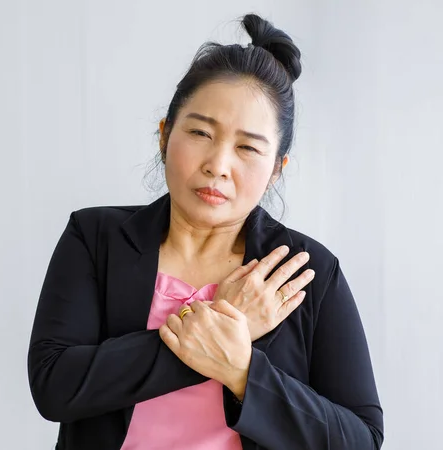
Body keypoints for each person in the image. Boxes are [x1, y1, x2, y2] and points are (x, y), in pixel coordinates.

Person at [27, 13, 384, 450]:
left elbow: (360, 441)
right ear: (164, 136)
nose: (218, 165)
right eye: (200, 132)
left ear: (276, 170)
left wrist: (240, 369)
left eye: (248, 147)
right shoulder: (95, 237)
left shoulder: (305, 272)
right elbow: (55, 386)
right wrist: (214, 327)